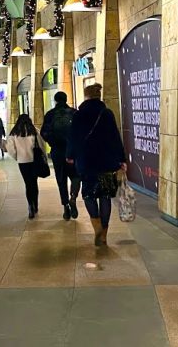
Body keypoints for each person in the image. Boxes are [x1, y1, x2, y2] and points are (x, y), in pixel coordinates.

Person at [66, 83, 127, 246]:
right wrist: (122, 159)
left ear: (86, 96)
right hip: (107, 162)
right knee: (105, 196)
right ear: (99, 96)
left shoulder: (79, 115)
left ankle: (97, 226)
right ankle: (104, 235)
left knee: (88, 195)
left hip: (86, 162)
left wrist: (70, 156)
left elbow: (73, 138)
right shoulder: (107, 113)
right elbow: (115, 137)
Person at [41, 91, 80, 221]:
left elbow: (44, 132)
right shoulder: (74, 113)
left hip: (57, 152)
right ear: (66, 99)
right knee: (75, 176)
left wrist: (53, 142)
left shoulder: (50, 114)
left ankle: (66, 208)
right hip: (73, 152)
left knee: (61, 180)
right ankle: (73, 197)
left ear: (55, 101)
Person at [7, 114, 46, 219]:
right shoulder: (34, 131)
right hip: (34, 161)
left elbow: (10, 149)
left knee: (27, 184)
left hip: (22, 162)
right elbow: (42, 145)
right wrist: (45, 157)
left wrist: (17, 157)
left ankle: (30, 206)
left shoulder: (14, 133)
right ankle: (36, 205)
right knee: (34, 183)